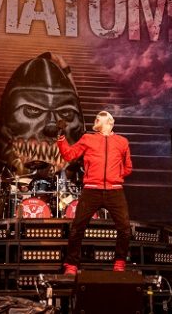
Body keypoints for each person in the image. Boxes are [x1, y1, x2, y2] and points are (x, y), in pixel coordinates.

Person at [56, 111, 132, 275]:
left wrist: (116, 176)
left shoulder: (122, 142)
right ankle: (71, 265)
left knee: (125, 229)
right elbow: (69, 154)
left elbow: (128, 167)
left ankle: (119, 263)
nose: (96, 118)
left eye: (100, 116)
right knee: (77, 227)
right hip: (91, 190)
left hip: (114, 191)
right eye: (96, 117)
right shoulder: (88, 138)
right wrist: (61, 136)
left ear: (110, 122)